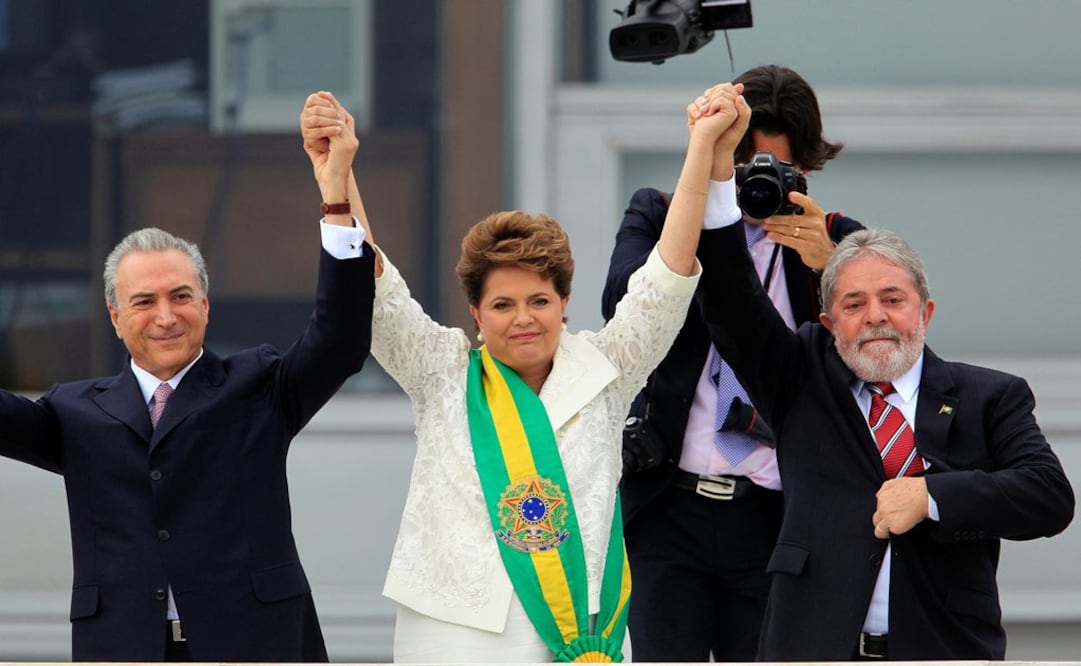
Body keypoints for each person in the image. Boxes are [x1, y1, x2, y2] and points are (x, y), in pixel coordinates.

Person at [300, 86, 749, 662]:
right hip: (455, 626)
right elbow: (377, 290)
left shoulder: (607, 372)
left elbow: (665, 280)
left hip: (580, 629)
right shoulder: (442, 373)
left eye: (538, 301)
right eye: (503, 305)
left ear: (564, 302)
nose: (523, 320)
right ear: (476, 315)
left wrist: (701, 148)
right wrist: (338, 182)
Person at [0, 92, 375, 661]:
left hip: (255, 644)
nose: (166, 316)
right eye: (144, 301)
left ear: (206, 304)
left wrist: (335, 195)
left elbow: (341, 339)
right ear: (115, 316)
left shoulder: (260, 386)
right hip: (126, 647)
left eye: (181, 296)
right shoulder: (75, 414)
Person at [695, 218, 1074, 659]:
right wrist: (715, 177)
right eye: (853, 305)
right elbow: (730, 298)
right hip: (810, 648)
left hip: (941, 649)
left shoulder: (989, 397)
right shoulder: (799, 381)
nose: (875, 315)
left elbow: (1049, 496)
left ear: (925, 312)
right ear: (829, 323)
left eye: (892, 299)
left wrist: (931, 496)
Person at [601, 64, 863, 662]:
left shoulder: (836, 239)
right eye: (742, 171)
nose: (754, 189)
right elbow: (620, 302)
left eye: (774, 171)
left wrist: (831, 265)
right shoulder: (662, 212)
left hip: (775, 517)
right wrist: (696, 217)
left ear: (805, 168)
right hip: (667, 507)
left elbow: (875, 356)